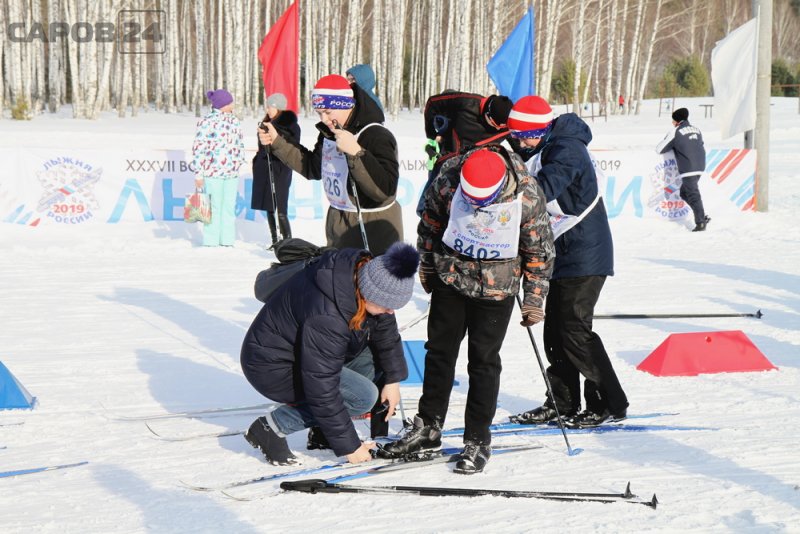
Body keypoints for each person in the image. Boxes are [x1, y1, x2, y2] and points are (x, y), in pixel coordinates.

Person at [380, 146, 555, 474]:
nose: (475, 206)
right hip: (452, 277)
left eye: (482, 201)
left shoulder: (527, 195)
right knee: (439, 354)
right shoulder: (449, 179)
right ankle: (428, 428)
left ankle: (477, 439)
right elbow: (430, 224)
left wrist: (534, 299)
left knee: (483, 362)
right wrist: (427, 266)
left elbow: (539, 250)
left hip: (496, 289)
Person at [506, 95, 629, 429]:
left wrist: (503, 197)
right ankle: (562, 401)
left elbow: (543, 189)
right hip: (562, 252)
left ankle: (608, 401)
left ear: (542, 130)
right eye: (516, 137)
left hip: (585, 253)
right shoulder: (543, 143)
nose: (520, 143)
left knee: (574, 330)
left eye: (525, 137)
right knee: (555, 333)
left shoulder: (567, 149)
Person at [241, 242, 419, 466]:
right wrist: (350, 446)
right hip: (273, 367)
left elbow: (386, 330)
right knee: (363, 397)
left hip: (306, 355)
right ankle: (271, 427)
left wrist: (393, 380)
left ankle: (322, 431)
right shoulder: (326, 313)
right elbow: (322, 385)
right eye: (387, 305)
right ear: (369, 293)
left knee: (375, 362)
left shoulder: (361, 276)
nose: (391, 311)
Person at [258, 74, 402, 255]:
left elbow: (385, 190)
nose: (324, 119)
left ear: (345, 105)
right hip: (338, 223)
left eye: (328, 112)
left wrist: (356, 153)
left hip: (374, 228)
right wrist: (277, 142)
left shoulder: (375, 134)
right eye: (319, 113)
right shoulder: (330, 132)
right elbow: (312, 168)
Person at [417, 91, 524, 215]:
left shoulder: (507, 126)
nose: (497, 129)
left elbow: (520, 149)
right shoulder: (466, 102)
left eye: (501, 127)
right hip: (448, 162)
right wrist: (432, 135)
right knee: (428, 206)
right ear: (487, 114)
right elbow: (432, 103)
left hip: (474, 171)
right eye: (495, 125)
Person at [191, 89, 246, 247]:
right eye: (230, 102)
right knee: (214, 208)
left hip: (231, 173)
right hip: (212, 173)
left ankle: (227, 240)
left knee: (229, 207)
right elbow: (199, 149)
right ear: (223, 104)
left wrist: (239, 161)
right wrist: (198, 174)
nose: (233, 105)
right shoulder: (207, 122)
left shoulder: (234, 121)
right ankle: (211, 241)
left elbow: (239, 143)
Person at [251, 93, 301, 249]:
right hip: (265, 168)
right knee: (269, 206)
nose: (268, 109)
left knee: (280, 207)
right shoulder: (266, 123)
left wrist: (276, 137)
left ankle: (288, 242)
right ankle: (275, 241)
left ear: (278, 108)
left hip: (280, 169)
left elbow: (292, 147)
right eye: (267, 106)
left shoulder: (291, 126)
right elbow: (261, 147)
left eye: (270, 107)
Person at [655, 107, 709, 232]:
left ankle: (701, 223)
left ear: (677, 121)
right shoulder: (697, 130)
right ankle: (700, 215)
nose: (672, 122)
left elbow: (659, 149)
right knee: (684, 193)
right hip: (700, 165)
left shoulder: (676, 131)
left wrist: (672, 144)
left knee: (693, 194)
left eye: (673, 120)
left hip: (688, 168)